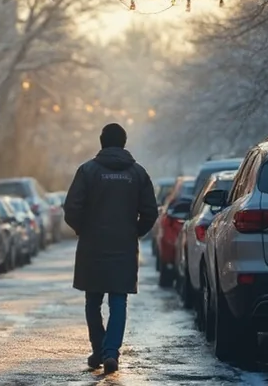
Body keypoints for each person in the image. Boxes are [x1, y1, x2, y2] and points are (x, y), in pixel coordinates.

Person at [63, 123, 158, 374]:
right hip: (124, 247)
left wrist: (84, 230)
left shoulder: (87, 171)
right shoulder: (138, 173)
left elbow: (71, 208)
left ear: (102, 141)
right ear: (124, 143)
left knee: (92, 300)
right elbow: (150, 211)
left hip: (92, 247)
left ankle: (98, 348)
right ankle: (111, 352)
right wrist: (134, 232)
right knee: (119, 301)